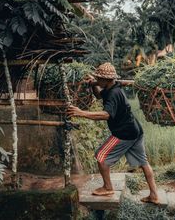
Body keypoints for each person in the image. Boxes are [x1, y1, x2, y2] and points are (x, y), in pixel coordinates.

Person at [67, 62, 159, 204]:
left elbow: (106, 115)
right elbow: (99, 96)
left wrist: (81, 113)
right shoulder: (113, 88)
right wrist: (93, 84)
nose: (97, 80)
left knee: (101, 156)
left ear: (106, 80)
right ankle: (154, 195)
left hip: (124, 134)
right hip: (135, 130)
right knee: (143, 163)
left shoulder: (114, 94)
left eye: (99, 79)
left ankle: (108, 187)